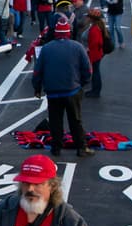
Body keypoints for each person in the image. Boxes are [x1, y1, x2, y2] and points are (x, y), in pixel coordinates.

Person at [31, 16, 94, 159]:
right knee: (75, 120)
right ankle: (81, 147)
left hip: (53, 92)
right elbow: (87, 70)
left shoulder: (46, 49)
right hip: (72, 90)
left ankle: (56, 147)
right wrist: (83, 84)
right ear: (69, 32)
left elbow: (37, 71)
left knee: (55, 121)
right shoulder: (78, 47)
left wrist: (37, 88)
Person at [83, 6, 111, 99]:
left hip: (95, 53)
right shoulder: (98, 26)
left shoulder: (95, 28)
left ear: (92, 18)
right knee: (96, 72)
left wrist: (89, 50)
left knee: (96, 73)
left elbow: (96, 42)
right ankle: (95, 90)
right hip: (97, 53)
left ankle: (96, 91)